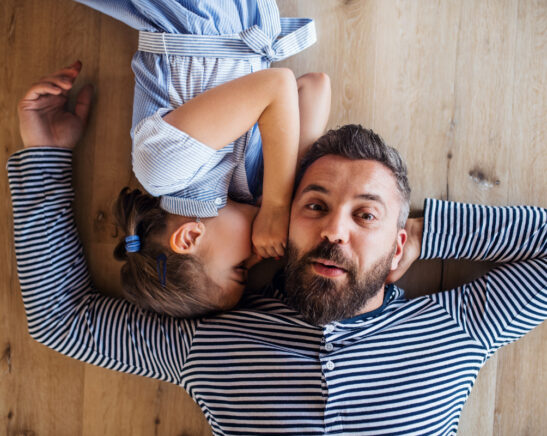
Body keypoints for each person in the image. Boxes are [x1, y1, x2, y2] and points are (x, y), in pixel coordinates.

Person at [10, 68, 546, 435]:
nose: (335, 230)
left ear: (398, 240)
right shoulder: (209, 347)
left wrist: (431, 233)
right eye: (314, 206)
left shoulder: (457, 331)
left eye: (366, 215)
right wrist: (46, 154)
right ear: (283, 224)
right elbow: (65, 321)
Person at [72, 0, 331, 317]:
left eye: (240, 268)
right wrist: (284, 197)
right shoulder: (245, 186)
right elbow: (313, 86)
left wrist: (276, 206)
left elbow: (276, 85)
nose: (256, 256)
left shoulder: (163, 173)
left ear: (190, 236)